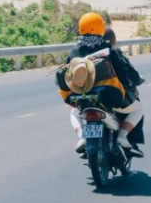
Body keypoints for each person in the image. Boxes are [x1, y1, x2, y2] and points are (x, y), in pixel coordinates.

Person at [56, 12, 145, 157]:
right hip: (109, 95)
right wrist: (130, 82)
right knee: (138, 109)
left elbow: (65, 76)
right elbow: (123, 71)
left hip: (82, 97)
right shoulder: (108, 48)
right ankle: (122, 137)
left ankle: (81, 137)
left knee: (74, 113)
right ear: (100, 28)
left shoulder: (74, 51)